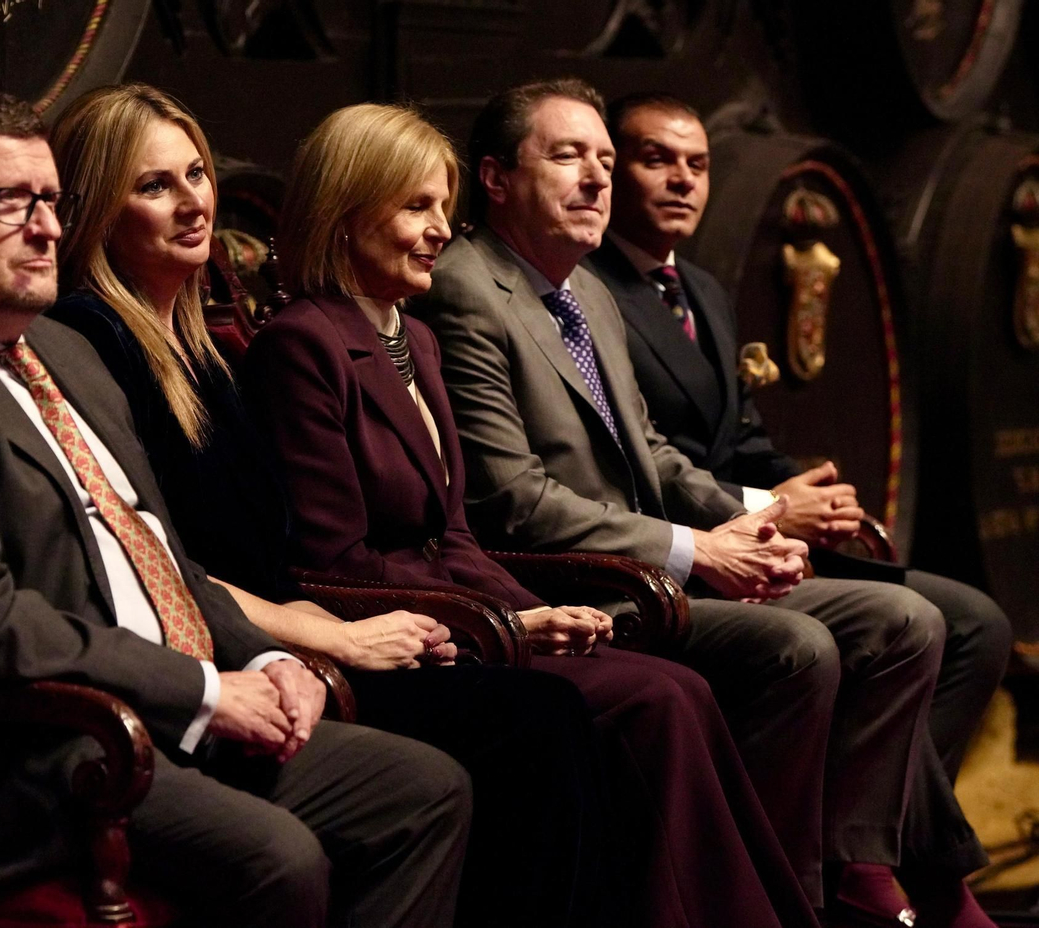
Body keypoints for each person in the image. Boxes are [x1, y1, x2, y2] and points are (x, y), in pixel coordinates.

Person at [0, 85, 472, 928]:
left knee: (426, 791)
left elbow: (162, 558)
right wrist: (203, 691)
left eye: (53, 202)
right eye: (9, 203)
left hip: (158, 710)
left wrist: (262, 662)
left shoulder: (59, 346)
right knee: (277, 860)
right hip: (30, 749)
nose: (46, 228)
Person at [244, 100, 819, 928]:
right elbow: (338, 564)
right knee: (652, 699)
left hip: (469, 617)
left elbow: (458, 535)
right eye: (416, 207)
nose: (442, 229)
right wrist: (506, 629)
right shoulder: (303, 343)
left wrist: (537, 612)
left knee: (678, 690)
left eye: (444, 206)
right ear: (344, 212)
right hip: (406, 641)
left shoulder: (415, 337)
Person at [47, 81, 606, 928]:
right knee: (538, 723)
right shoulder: (90, 341)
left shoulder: (199, 347)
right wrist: (323, 639)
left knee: (570, 708)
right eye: (153, 184)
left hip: (285, 640)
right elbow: (154, 565)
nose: (193, 201)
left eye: (195, 173)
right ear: (92, 209)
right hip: (226, 656)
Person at [407, 77, 953, 926]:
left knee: (903, 622)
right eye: (566, 157)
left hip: (650, 562)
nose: (597, 178)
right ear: (495, 178)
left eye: (601, 160)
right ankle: (765, 901)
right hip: (572, 585)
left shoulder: (585, 289)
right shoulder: (467, 289)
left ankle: (847, 878)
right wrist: (701, 552)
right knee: (797, 646)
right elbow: (513, 499)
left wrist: (759, 517)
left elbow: (651, 453)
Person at [589, 90, 1010, 928]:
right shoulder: (591, 289)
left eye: (698, 165)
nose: (682, 181)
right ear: (615, 168)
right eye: (655, 160)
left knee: (979, 625)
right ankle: (897, 870)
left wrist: (809, 487)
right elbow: (645, 462)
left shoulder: (699, 286)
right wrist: (770, 505)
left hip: (763, 523)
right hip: (696, 542)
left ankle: (863, 839)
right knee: (904, 624)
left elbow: (740, 433)